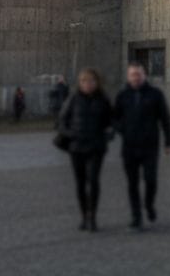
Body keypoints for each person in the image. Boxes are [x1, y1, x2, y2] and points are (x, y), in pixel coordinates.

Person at [112, 62, 170, 231]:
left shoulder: (155, 94)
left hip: (149, 146)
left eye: (138, 74)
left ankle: (149, 204)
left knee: (150, 180)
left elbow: (165, 119)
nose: (136, 78)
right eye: (133, 74)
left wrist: (168, 142)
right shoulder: (122, 95)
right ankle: (136, 217)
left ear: (144, 75)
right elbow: (114, 117)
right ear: (128, 77)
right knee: (132, 184)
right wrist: (122, 128)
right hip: (129, 147)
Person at [56, 67, 112, 232]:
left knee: (93, 181)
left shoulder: (103, 99)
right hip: (77, 148)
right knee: (80, 183)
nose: (88, 84)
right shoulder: (73, 99)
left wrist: (108, 134)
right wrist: (71, 134)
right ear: (79, 83)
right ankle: (83, 216)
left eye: (91, 81)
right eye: (84, 81)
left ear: (97, 82)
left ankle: (92, 217)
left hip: (96, 147)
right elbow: (61, 121)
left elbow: (112, 121)